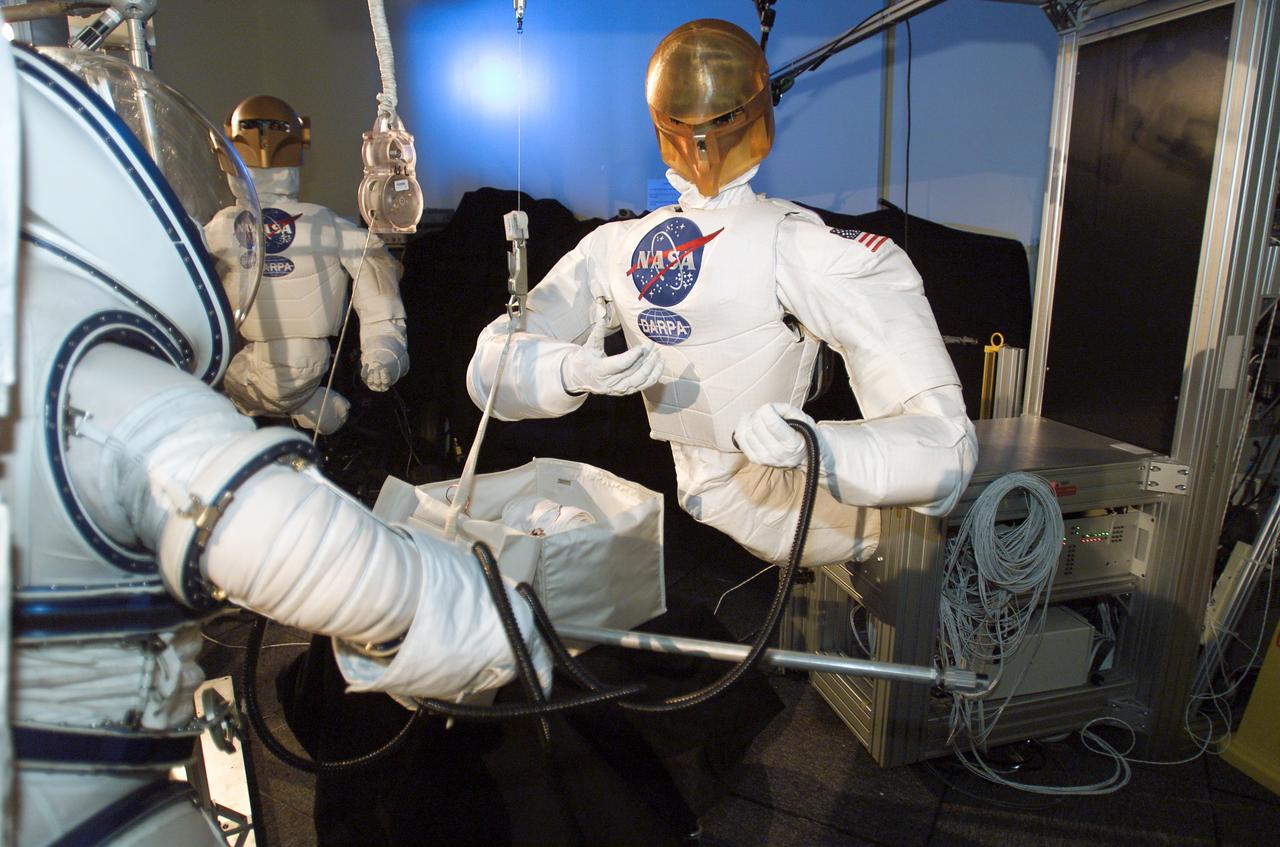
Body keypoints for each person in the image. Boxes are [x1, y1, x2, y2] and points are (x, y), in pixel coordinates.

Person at [2, 44, 546, 845]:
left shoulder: (315, 235)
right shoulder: (101, 386)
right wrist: (483, 613)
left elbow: (374, 284)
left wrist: (381, 347)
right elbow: (291, 539)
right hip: (81, 789)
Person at [468, 19, 977, 567]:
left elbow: (949, 448)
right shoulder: (617, 249)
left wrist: (820, 449)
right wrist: (569, 371)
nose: (702, 147)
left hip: (793, 503)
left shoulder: (801, 249)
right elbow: (487, 373)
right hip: (729, 496)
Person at [212, 95, 409, 434]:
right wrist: (384, 349)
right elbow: (376, 276)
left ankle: (305, 404)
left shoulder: (229, 225)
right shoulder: (232, 225)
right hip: (275, 360)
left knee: (231, 391)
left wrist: (383, 350)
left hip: (291, 365)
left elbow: (375, 275)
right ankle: (307, 405)